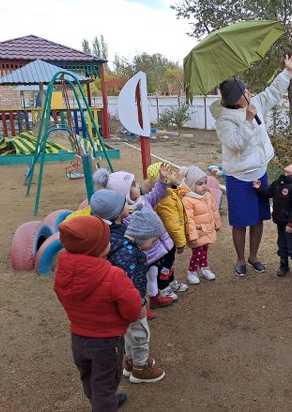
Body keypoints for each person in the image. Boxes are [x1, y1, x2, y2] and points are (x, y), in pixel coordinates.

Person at [210, 49, 292, 276]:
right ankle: (241, 259)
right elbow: (236, 144)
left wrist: (288, 71)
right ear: (236, 99)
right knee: (241, 221)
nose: (249, 91)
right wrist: (249, 120)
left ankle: (253, 257)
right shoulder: (223, 121)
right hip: (239, 177)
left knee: (258, 219)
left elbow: (273, 92)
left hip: (259, 172)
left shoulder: (254, 103)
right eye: (244, 90)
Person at [54, 215, 140, 411]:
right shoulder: (113, 275)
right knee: (105, 384)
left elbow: (62, 296)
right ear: (96, 247)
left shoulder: (64, 271)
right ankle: (104, 404)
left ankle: (101, 402)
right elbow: (132, 309)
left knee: (89, 378)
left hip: (78, 338)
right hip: (106, 342)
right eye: (106, 240)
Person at [93, 167, 179, 311]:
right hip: (147, 252)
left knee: (155, 273)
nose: (137, 185)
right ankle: (144, 303)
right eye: (133, 185)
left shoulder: (143, 200)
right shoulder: (125, 216)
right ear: (124, 194)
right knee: (142, 278)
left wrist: (162, 180)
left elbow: (156, 193)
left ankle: (155, 296)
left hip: (158, 247)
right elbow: (132, 237)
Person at [108, 206, 167, 384]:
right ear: (143, 236)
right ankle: (140, 369)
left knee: (129, 333)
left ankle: (131, 362)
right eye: (153, 241)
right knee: (140, 333)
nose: (153, 245)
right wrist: (140, 303)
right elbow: (130, 285)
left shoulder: (119, 245)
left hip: (121, 304)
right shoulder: (131, 254)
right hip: (132, 304)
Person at [253, 160, 292, 277]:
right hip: (280, 221)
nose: (291, 164)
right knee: (282, 244)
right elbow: (267, 193)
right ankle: (283, 264)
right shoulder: (278, 183)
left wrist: (291, 224)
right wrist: (259, 188)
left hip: (290, 224)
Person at [143, 162, 190, 294]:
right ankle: (164, 288)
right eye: (171, 173)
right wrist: (181, 243)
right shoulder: (165, 201)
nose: (174, 173)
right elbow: (172, 225)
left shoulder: (169, 192)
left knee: (169, 263)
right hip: (168, 239)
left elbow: (178, 191)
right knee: (165, 264)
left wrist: (179, 186)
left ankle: (170, 281)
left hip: (168, 239)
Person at [180, 165, 222, 284]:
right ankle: (192, 271)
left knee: (204, 250)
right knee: (197, 253)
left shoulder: (207, 195)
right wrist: (192, 234)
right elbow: (189, 219)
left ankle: (204, 268)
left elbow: (214, 210)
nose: (204, 186)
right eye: (200, 184)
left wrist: (217, 223)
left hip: (207, 229)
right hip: (197, 232)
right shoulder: (187, 200)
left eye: (205, 183)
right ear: (191, 185)